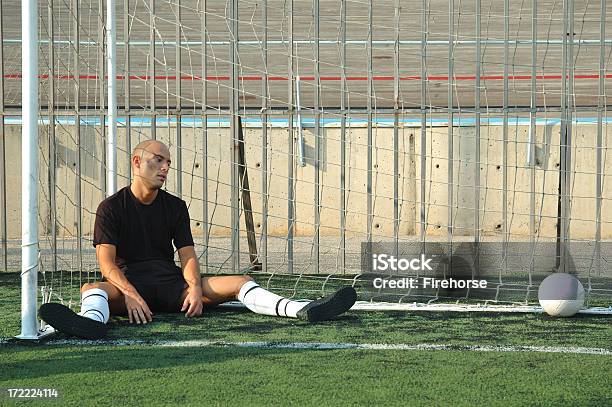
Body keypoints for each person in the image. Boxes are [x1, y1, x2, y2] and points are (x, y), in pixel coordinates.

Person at [39, 140, 356, 339]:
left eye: (168, 163)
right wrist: (132, 295)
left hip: (170, 286)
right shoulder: (111, 207)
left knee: (240, 280)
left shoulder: (174, 206)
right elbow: (106, 264)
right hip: (130, 288)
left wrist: (192, 288)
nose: (164, 167)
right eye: (157, 160)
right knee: (93, 288)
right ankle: (92, 324)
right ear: (137, 163)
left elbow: (187, 255)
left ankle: (300, 309)